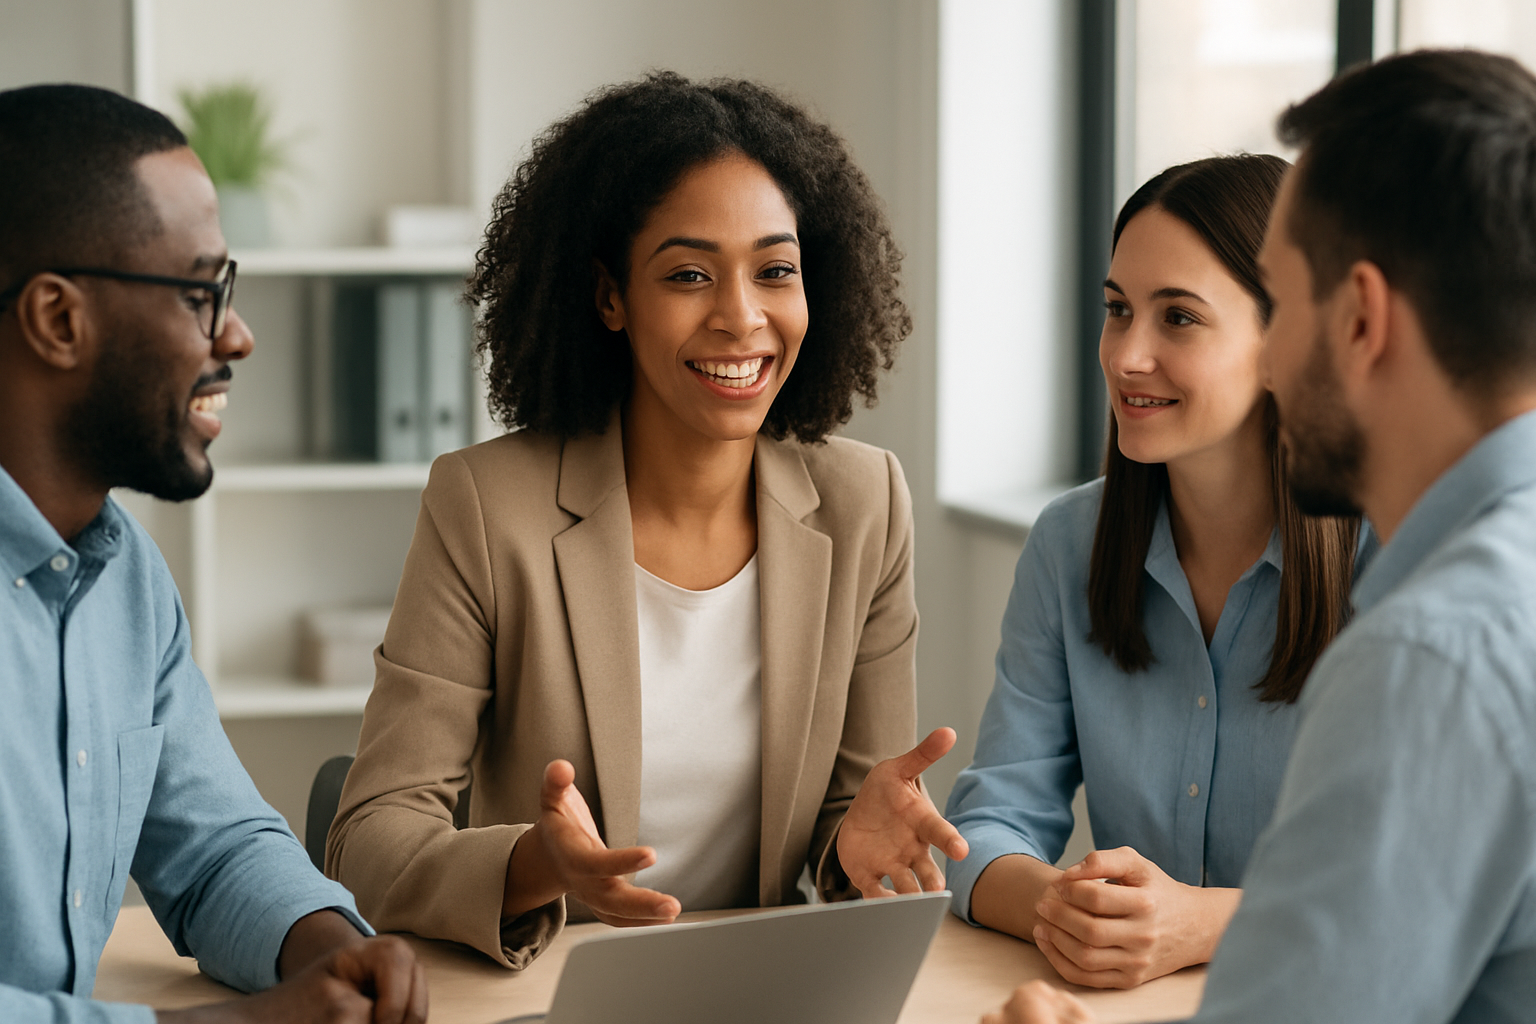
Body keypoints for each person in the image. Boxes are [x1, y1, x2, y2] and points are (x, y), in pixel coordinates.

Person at [327, 72, 965, 968]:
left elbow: (846, 821)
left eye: (775, 271)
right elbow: (367, 840)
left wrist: (852, 851)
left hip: (758, 989)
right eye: (689, 275)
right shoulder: (486, 507)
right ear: (610, 297)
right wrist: (533, 865)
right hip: (552, 989)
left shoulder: (866, 504)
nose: (741, 316)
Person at [988, 48, 1536, 1024]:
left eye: (1282, 302)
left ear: (1359, 318)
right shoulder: (1486, 591)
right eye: (1117, 310)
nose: (1275, 360)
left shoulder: (1431, 651)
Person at [0, 85, 428, 1023]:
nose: (236, 334)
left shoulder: (126, 580)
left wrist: (338, 953)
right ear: (59, 320)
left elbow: (215, 850)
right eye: (201, 294)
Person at [945, 154, 1365, 988]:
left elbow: (1436, 872)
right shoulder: (1068, 543)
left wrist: (1204, 924)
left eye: (1178, 317)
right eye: (1117, 310)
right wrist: (1058, 906)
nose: (1127, 355)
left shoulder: (1394, 555)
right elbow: (988, 824)